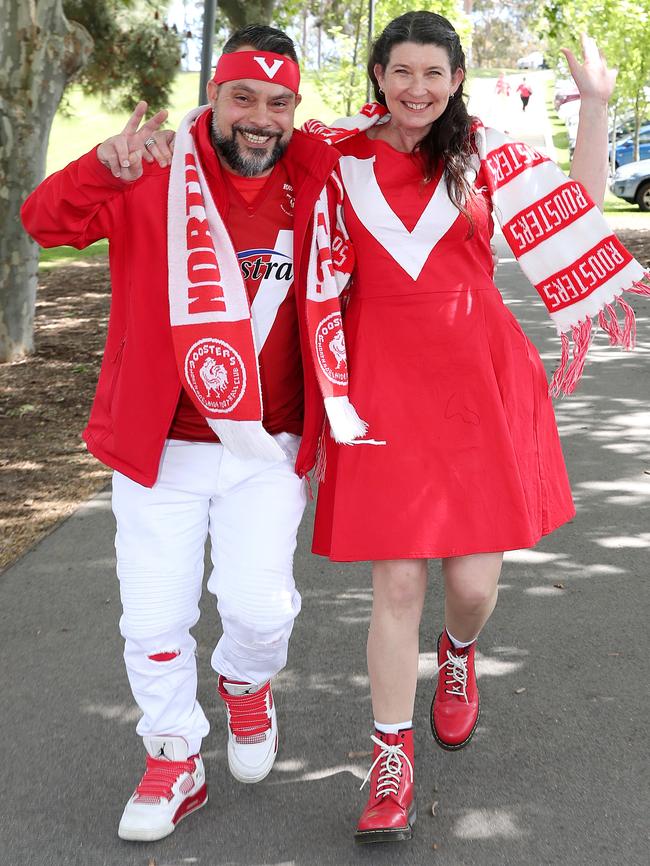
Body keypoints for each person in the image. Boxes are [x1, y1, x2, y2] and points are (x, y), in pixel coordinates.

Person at [306, 13, 647, 844]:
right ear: (378, 75)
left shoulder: (484, 153)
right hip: (381, 384)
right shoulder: (335, 156)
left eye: (434, 72)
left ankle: (457, 655)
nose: (416, 87)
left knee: (471, 585)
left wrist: (596, 105)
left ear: (456, 78)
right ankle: (389, 760)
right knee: (395, 585)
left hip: (475, 382)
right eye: (401, 71)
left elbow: (579, 202)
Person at [21, 24, 363, 842]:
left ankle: (247, 682)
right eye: (242, 98)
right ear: (213, 96)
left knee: (259, 609)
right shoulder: (153, 169)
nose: (260, 118)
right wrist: (100, 165)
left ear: (294, 109)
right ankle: (174, 754)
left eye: (278, 103)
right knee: (152, 616)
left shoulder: (317, 176)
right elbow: (44, 223)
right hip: (158, 447)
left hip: (267, 447)